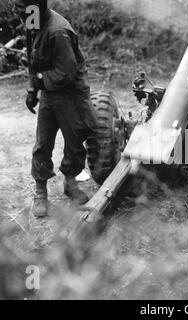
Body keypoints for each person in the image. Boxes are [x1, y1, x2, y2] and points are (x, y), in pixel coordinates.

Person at [14, 0, 98, 217]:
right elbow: (35, 61)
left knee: (75, 141)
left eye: (25, 11)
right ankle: (40, 191)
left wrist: (40, 79)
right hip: (51, 92)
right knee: (43, 142)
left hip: (71, 93)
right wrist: (33, 90)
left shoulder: (58, 31)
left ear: (38, 9)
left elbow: (66, 73)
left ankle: (71, 184)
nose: (22, 16)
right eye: (20, 11)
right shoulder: (34, 22)